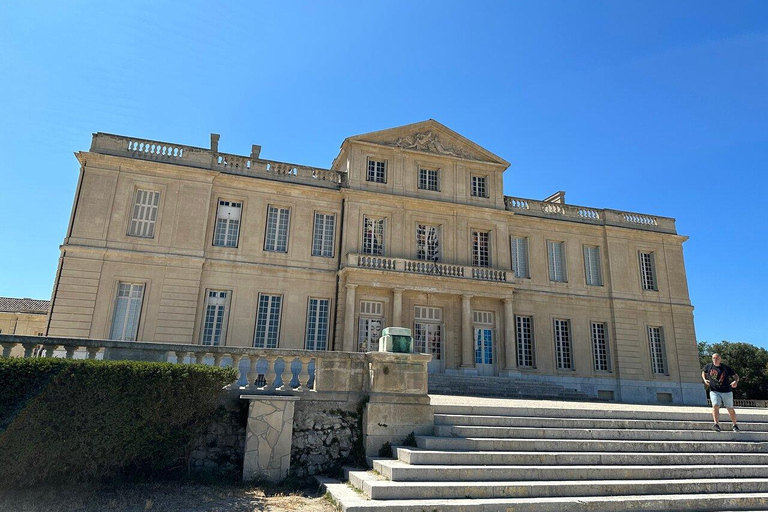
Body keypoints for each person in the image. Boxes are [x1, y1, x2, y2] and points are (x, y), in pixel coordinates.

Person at [702, 353, 740, 432]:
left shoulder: (725, 367)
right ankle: (716, 424)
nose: (715, 360)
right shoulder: (709, 366)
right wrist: (705, 380)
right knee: (715, 405)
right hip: (714, 390)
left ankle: (735, 424)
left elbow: (735, 375)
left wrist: (735, 381)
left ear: (720, 359)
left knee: (730, 408)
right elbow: (703, 372)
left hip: (726, 390)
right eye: (713, 358)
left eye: (717, 358)